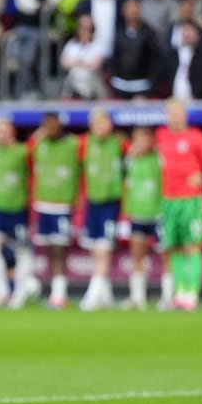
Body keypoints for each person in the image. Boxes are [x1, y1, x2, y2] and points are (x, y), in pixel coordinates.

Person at [154, 99, 202, 311]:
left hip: (191, 201)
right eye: (171, 112)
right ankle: (180, 291)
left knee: (192, 247)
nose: (175, 116)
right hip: (167, 201)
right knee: (172, 248)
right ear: (166, 115)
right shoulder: (160, 136)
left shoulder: (196, 137)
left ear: (185, 114)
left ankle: (192, 294)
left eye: (179, 112)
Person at [0, 118, 34, 310]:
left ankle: (19, 294)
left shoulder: (23, 151)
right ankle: (1, 292)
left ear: (12, 132)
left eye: (4, 130)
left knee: (23, 251)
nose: (1, 134)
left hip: (18, 209)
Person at [30, 113, 80, 309]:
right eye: (46, 125)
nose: (50, 128)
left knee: (60, 249)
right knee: (50, 249)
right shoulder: (39, 144)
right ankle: (55, 291)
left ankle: (60, 294)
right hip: (43, 204)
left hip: (62, 204)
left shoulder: (72, 144)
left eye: (53, 125)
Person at [78, 109, 124, 311]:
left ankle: (93, 294)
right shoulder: (83, 144)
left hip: (111, 202)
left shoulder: (120, 143)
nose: (100, 128)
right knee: (94, 249)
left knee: (104, 249)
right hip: (91, 202)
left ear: (111, 125)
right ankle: (106, 294)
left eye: (104, 123)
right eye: (96, 124)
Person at [121, 126, 167, 310]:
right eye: (136, 139)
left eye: (144, 139)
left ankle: (168, 297)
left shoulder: (159, 158)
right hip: (137, 214)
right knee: (137, 256)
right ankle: (137, 297)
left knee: (167, 257)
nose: (140, 143)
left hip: (158, 214)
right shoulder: (129, 160)